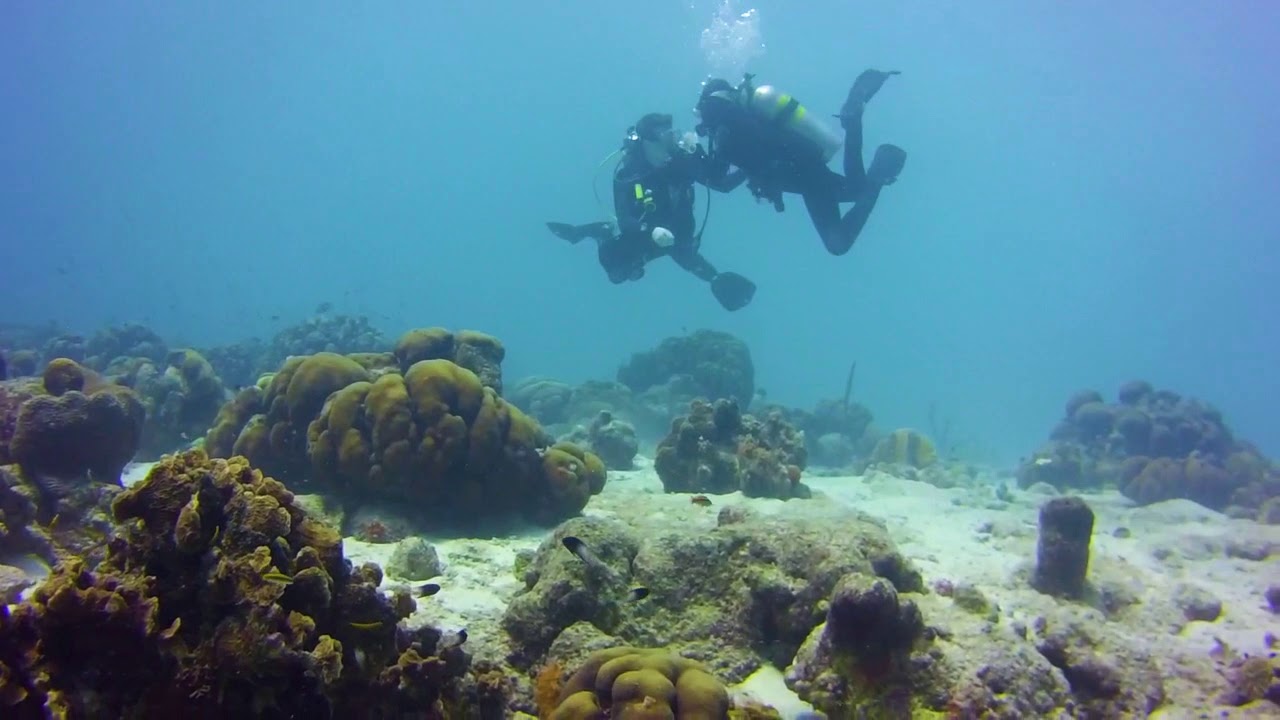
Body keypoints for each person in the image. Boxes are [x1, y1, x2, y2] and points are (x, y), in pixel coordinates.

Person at [547, 112, 759, 311]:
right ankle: (601, 232)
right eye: (664, 136)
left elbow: (721, 184)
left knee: (681, 249)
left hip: (678, 228)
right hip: (642, 232)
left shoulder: (682, 160)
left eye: (671, 133)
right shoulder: (629, 174)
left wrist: (753, 167)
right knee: (617, 273)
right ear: (647, 142)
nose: (672, 142)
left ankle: (715, 279)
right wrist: (650, 231)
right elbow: (625, 218)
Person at [693, 69, 907, 256]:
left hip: (803, 174)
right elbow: (747, 166)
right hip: (802, 166)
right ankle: (861, 133)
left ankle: (860, 136)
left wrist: (692, 166)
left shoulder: (725, 132)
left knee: (840, 238)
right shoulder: (742, 121)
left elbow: (721, 182)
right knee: (855, 194)